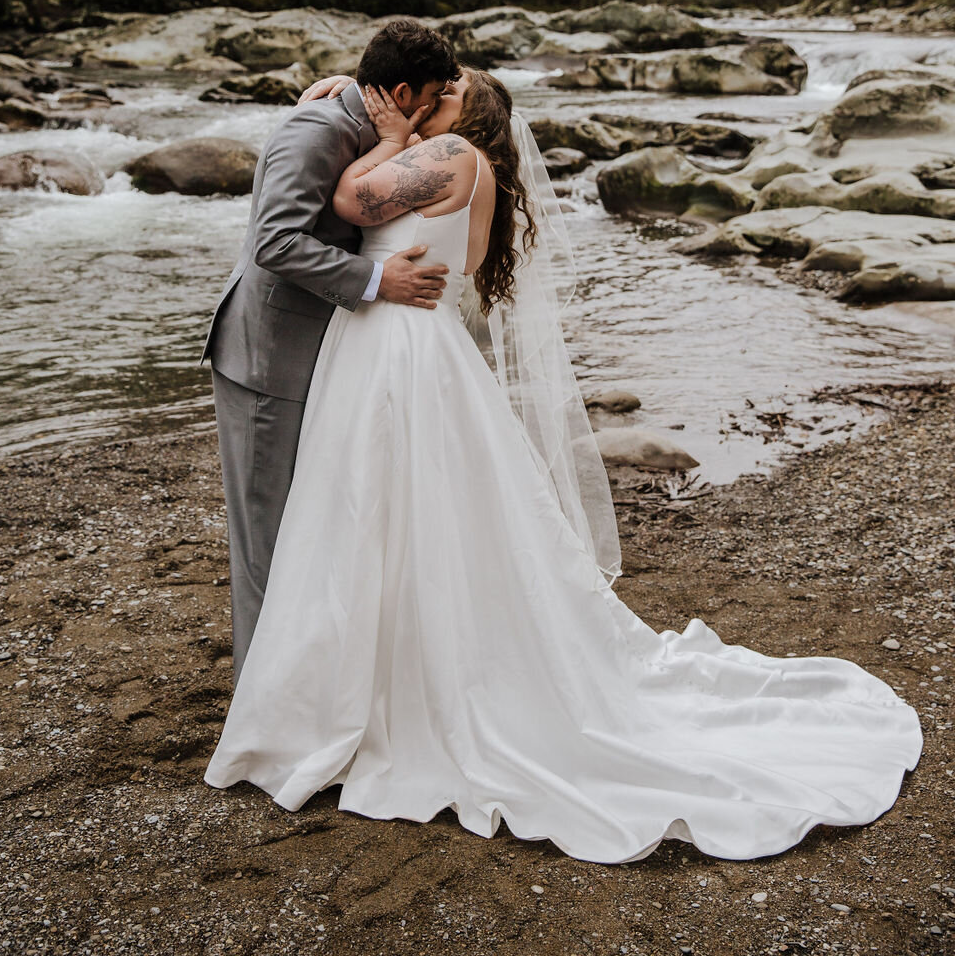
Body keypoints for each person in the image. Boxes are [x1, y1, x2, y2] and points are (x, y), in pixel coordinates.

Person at [204, 67, 921, 864]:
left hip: (393, 347)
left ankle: (355, 691)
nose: (430, 92)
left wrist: (391, 135)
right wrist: (358, 102)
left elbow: (347, 205)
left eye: (445, 91)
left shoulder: (440, 155)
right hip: (421, 347)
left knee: (374, 506)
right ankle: (375, 673)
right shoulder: (475, 174)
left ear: (457, 114)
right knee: (419, 511)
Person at [202, 18, 461, 682]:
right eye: (431, 94)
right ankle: (261, 700)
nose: (434, 108)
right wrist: (379, 280)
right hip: (267, 358)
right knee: (267, 538)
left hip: (318, 351)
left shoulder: (362, 121)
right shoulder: (316, 130)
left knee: (308, 526)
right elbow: (276, 243)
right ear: (403, 91)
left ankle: (305, 683)